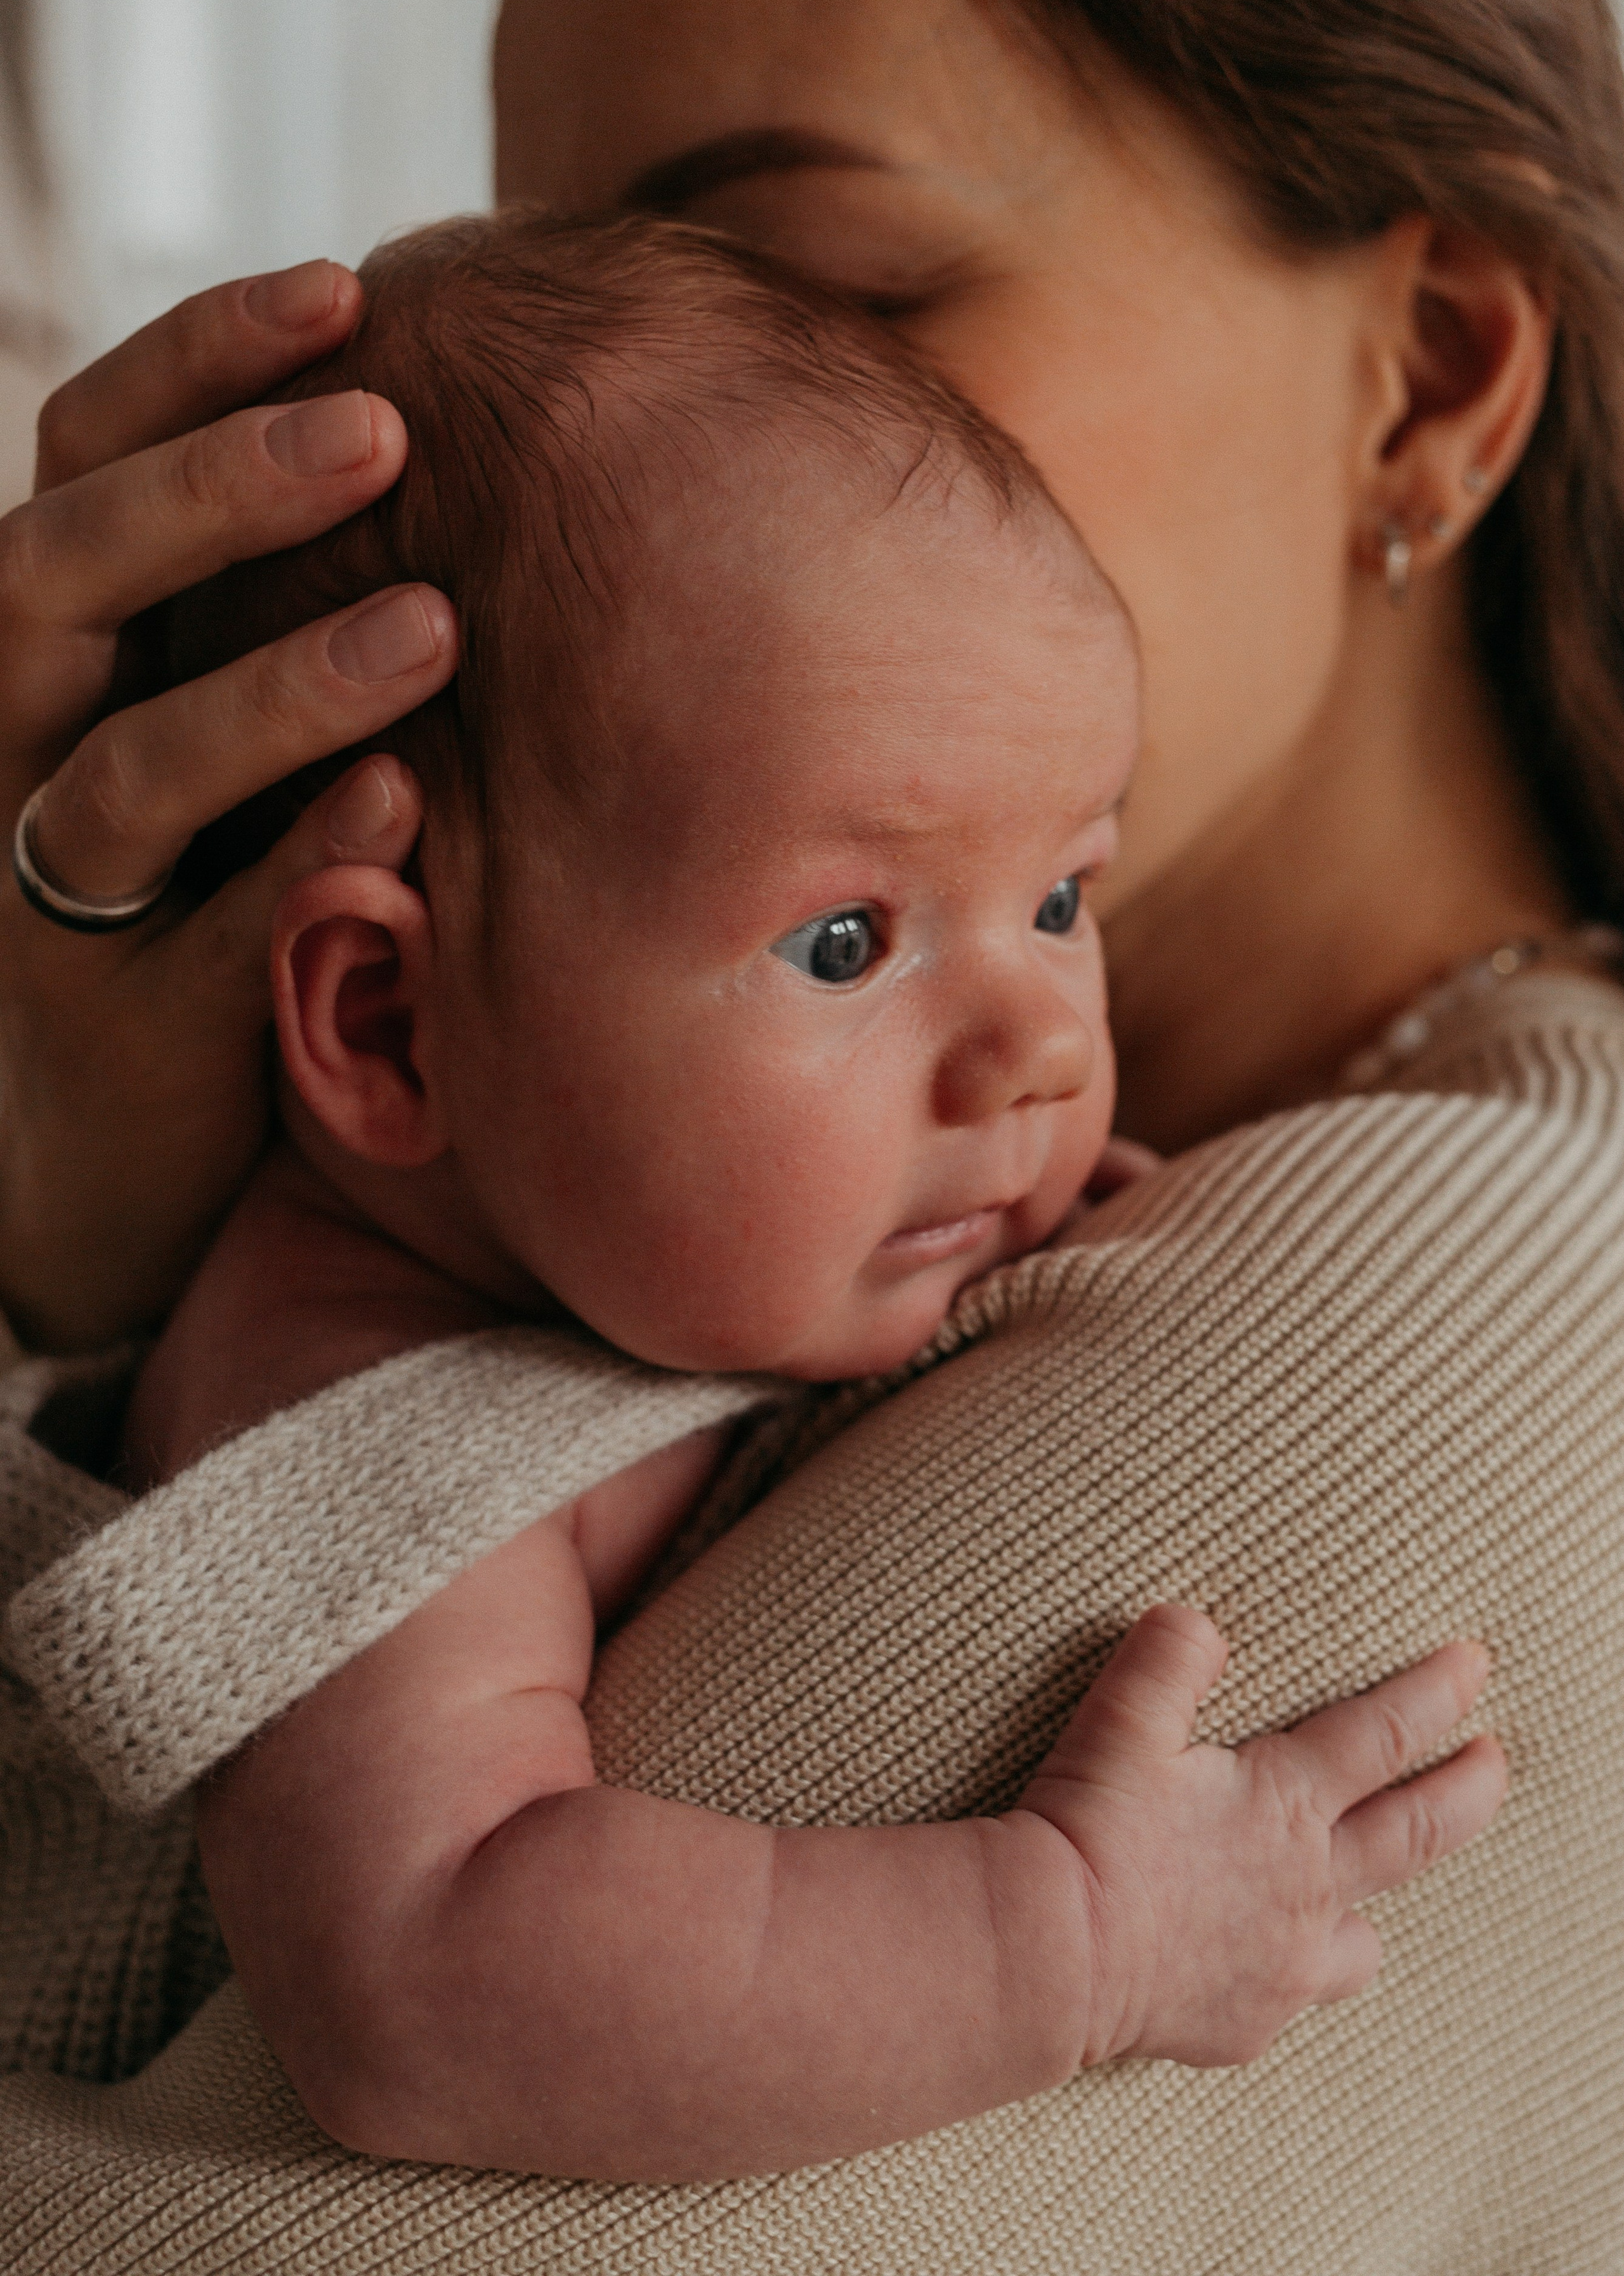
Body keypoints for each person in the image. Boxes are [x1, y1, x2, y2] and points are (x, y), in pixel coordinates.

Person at [2, 0, 1622, 2268]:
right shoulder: (744, 1183)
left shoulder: (1472, 1277)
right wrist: (118, 1269)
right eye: (612, 342)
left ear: (1421, 378)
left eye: (813, 309)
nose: (695, 483)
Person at [77, 207, 1496, 2182]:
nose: (1042, 1054)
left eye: (1064, 896)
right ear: (393, 1025)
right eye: (846, 943)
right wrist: (1080, 1935)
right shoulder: (359, 1445)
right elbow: (435, 1984)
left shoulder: (614, 1248)